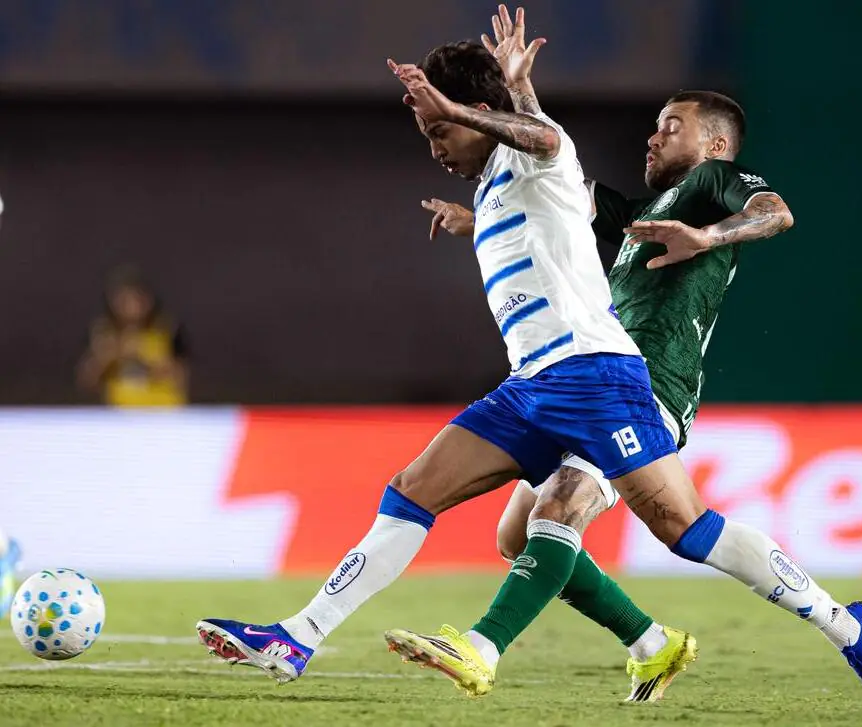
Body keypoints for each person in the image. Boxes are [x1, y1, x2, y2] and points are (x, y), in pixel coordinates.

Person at [384, 5, 862, 712]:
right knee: (522, 535)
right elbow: (549, 195)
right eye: (655, 123)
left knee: (572, 509)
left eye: (673, 124)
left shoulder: (715, 184)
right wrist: (488, 189)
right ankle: (653, 640)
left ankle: (481, 648)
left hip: (645, 382)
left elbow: (776, 212)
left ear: (715, 142)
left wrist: (709, 237)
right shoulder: (638, 208)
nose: (653, 134)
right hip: (586, 376)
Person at [196, 36, 688, 698]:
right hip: (532, 384)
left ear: (474, 111)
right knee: (414, 488)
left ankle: (830, 622)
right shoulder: (493, 183)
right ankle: (299, 634)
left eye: (438, 129)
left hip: (596, 375)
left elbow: (538, 136)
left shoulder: (536, 151)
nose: (433, 146)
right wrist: (472, 216)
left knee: (640, 529)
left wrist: (498, 97)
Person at [77, 267, 190, 407]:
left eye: (136, 300)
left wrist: (146, 358)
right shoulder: (104, 332)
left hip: (162, 413)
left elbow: (182, 377)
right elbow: (87, 381)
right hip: (118, 415)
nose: (131, 308)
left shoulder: (167, 328)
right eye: (124, 301)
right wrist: (110, 355)